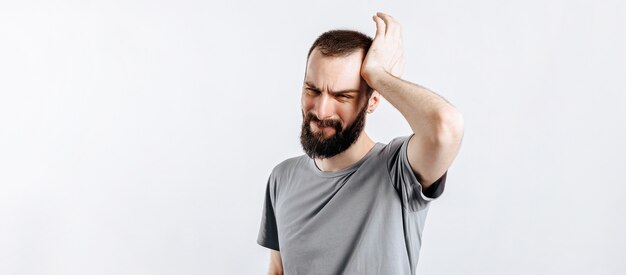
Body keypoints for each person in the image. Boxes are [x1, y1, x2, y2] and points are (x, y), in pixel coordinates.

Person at [257, 12, 464, 275]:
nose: (321, 111)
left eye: (342, 96)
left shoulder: (397, 171)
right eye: (313, 90)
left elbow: (446, 127)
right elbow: (278, 270)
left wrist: (378, 75)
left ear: (373, 101)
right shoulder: (281, 178)